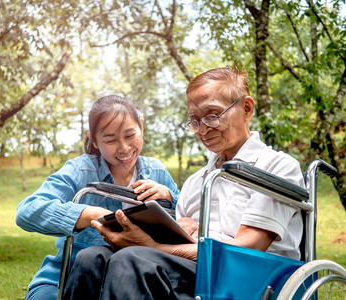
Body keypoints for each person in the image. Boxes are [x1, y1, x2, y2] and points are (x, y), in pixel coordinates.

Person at [62, 66, 305, 299]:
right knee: (91, 257)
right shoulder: (196, 181)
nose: (202, 130)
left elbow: (248, 248)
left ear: (247, 108)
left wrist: (153, 247)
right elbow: (180, 236)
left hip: (254, 277)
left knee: (133, 259)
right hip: (197, 267)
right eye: (195, 121)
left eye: (212, 115)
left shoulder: (276, 167)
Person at [16, 95, 181, 300]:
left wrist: (169, 197)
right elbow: (28, 210)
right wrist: (88, 214)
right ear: (94, 140)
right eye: (110, 140)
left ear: (141, 127)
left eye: (130, 135)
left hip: (131, 280)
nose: (123, 148)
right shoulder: (81, 170)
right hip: (67, 277)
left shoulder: (156, 172)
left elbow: (188, 218)